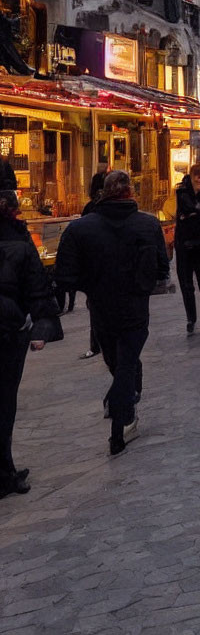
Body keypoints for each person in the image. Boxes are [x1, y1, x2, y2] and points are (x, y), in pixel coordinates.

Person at [55, 171, 169, 456]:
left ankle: (121, 419)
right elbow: (163, 268)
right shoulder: (148, 225)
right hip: (134, 309)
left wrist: (91, 286)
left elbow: (65, 276)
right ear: (131, 193)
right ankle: (123, 420)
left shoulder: (80, 229)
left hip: (101, 311)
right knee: (126, 363)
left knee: (120, 363)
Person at [0, 191, 62, 499]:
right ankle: (4, 472)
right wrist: (42, 325)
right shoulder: (19, 241)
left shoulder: (18, 240)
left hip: (11, 328)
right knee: (4, 401)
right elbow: (37, 286)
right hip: (10, 331)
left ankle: (5, 467)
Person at [174, 164, 200, 334]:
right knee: (187, 285)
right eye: (197, 175)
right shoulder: (182, 190)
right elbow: (188, 208)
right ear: (191, 175)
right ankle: (191, 319)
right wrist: (196, 208)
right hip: (185, 245)